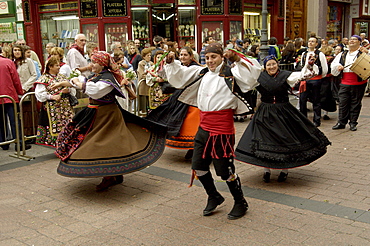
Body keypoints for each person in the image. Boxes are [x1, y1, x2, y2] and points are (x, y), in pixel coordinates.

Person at [164, 43, 262, 220]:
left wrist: (236, 58)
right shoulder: (202, 72)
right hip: (203, 128)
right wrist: (171, 63)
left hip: (222, 131)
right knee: (198, 167)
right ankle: (214, 196)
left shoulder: (232, 73)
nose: (209, 61)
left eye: (213, 57)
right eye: (207, 57)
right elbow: (180, 76)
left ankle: (240, 202)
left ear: (222, 57)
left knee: (224, 171)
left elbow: (253, 73)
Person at [50, 51, 166, 191]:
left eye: (95, 62)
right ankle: (113, 175)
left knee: (107, 145)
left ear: (102, 64)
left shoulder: (108, 78)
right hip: (95, 114)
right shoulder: (97, 75)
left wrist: (77, 83)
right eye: (92, 62)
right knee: (96, 143)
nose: (91, 65)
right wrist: (65, 83)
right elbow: (87, 84)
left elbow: (95, 91)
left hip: (107, 115)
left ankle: (110, 176)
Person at [235, 55, 331, 183]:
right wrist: (238, 63)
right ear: (265, 66)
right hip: (265, 112)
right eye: (268, 65)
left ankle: (284, 170)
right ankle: (266, 170)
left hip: (283, 111)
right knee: (265, 140)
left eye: (273, 64)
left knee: (285, 139)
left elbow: (303, 74)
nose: (271, 67)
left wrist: (309, 65)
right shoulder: (259, 77)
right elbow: (245, 79)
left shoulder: (286, 75)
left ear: (277, 64)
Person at [146, 46, 201, 160]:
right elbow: (166, 75)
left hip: (192, 100)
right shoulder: (179, 66)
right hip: (179, 98)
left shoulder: (195, 68)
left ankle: (194, 149)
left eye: (185, 55)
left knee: (192, 125)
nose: (182, 57)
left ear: (191, 56)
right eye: (180, 55)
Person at [34, 56, 75, 147]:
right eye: (57, 65)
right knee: (55, 127)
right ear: (50, 67)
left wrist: (68, 91)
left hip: (65, 107)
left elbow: (72, 87)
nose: (59, 67)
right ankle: (58, 145)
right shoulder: (44, 79)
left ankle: (66, 145)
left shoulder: (62, 77)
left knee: (67, 124)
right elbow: (39, 94)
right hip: (52, 108)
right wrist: (52, 97)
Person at [331, 35, 370, 131]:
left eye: (354, 39)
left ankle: (353, 122)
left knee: (355, 103)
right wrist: (338, 67)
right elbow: (334, 64)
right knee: (343, 103)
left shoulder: (363, 53)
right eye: (350, 39)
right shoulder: (342, 54)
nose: (352, 41)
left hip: (359, 82)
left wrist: (367, 52)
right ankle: (341, 122)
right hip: (345, 82)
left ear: (359, 42)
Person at [299, 36, 328, 127]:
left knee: (316, 100)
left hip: (316, 80)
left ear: (316, 44)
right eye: (309, 41)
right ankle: (304, 120)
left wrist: (319, 76)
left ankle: (317, 120)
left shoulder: (320, 54)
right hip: (305, 80)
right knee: (302, 100)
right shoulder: (304, 54)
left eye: (313, 41)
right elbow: (302, 66)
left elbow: (325, 68)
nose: (310, 43)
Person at [0, 52, 24, 150]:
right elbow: (15, 79)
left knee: (1, 122)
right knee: (15, 121)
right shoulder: (8, 62)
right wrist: (20, 91)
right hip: (9, 95)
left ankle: (3, 143)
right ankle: (19, 143)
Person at [137, 48, 153, 116]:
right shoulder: (141, 63)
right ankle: (143, 113)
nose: (149, 57)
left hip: (150, 85)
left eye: (150, 55)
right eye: (147, 55)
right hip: (143, 84)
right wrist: (148, 77)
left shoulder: (151, 63)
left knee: (150, 101)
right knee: (143, 101)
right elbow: (142, 74)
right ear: (143, 56)